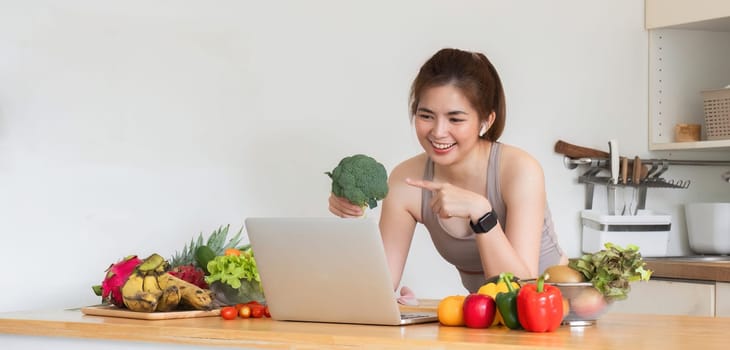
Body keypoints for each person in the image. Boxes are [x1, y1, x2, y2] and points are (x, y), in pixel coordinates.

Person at [328, 48, 567, 296]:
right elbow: (376, 289)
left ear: (486, 121)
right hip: (488, 318)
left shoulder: (519, 170)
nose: (438, 132)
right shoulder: (406, 181)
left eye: (455, 119)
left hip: (556, 314)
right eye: (426, 115)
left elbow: (519, 291)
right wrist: (352, 218)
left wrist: (482, 213)